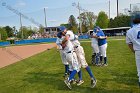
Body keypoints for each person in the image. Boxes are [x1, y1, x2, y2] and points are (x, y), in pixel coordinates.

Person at [126, 14, 140, 87]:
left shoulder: (129, 31)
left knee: (139, 70)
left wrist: (134, 51)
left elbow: (129, 44)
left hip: (138, 51)